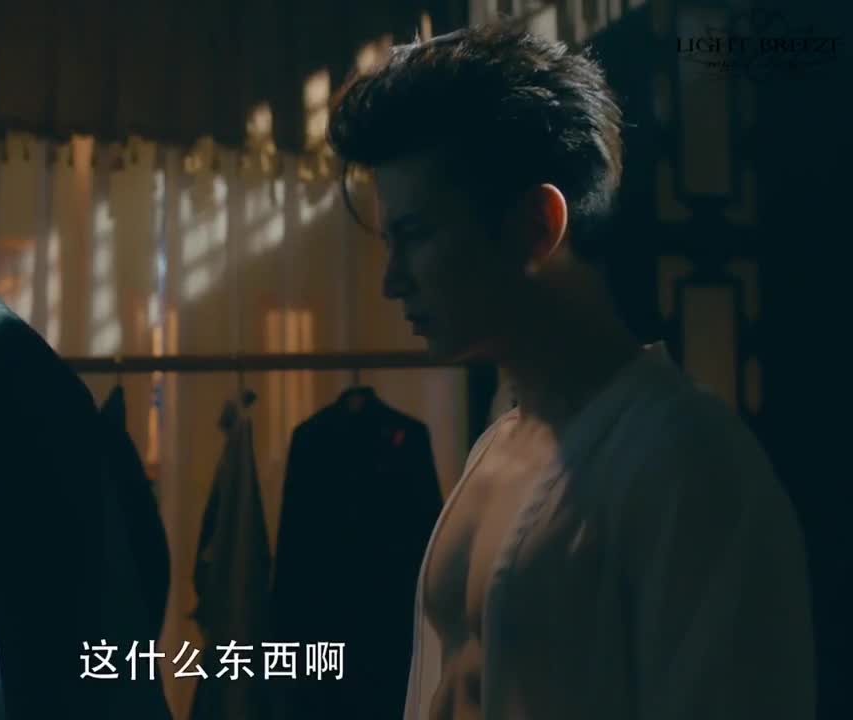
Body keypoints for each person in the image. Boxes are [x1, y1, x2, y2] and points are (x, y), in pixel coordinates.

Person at [327, 21, 815, 720]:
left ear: (536, 226)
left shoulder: (688, 462)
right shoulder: (497, 443)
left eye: (417, 235)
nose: (392, 281)